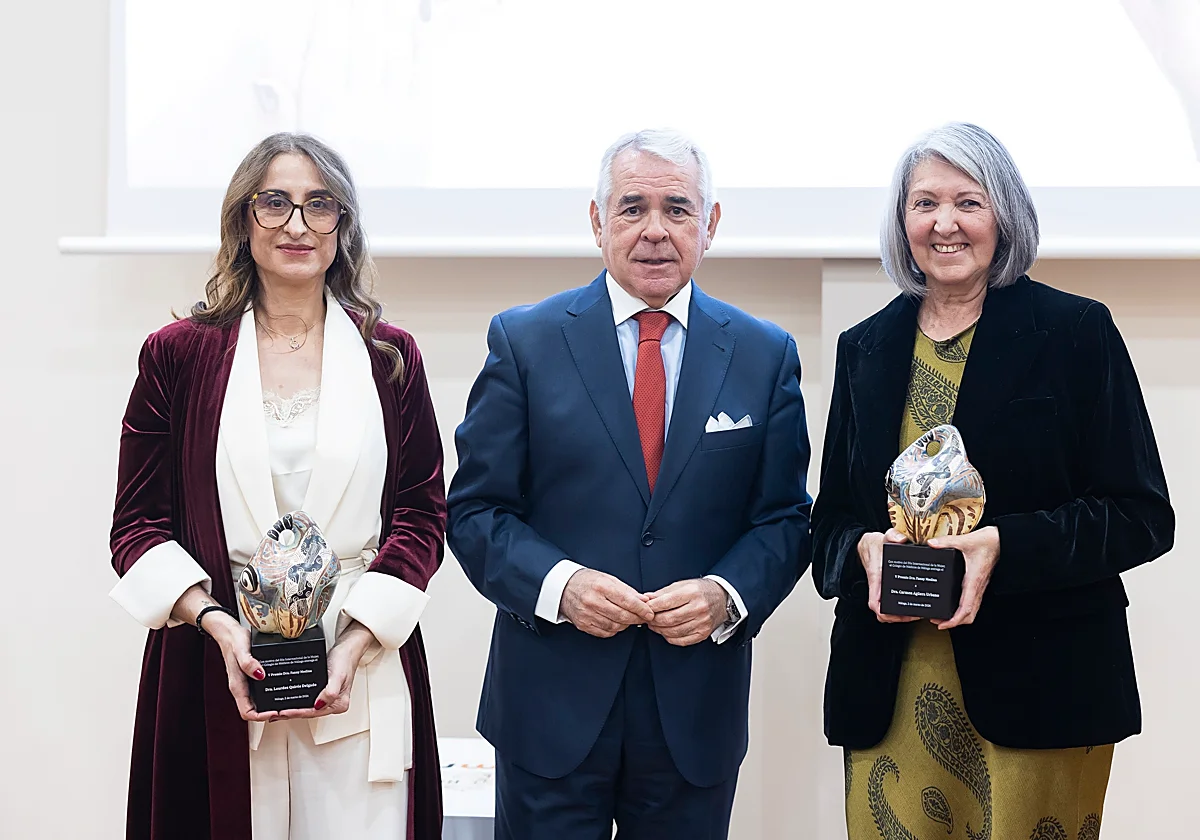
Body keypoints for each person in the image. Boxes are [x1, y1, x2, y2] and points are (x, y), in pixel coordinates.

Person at [810, 122, 1175, 839]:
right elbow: (828, 523)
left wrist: (1001, 545)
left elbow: (1140, 515)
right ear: (902, 220)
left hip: (1042, 687)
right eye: (924, 203)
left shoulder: (1075, 331)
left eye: (968, 201)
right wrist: (862, 551)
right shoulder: (865, 348)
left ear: (1004, 214)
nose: (944, 223)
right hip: (890, 687)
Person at [446, 128, 811, 839]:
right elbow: (476, 512)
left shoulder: (765, 354)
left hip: (692, 713)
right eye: (632, 207)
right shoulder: (523, 341)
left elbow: (785, 520)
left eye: (677, 209)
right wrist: (560, 586)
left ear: (710, 225)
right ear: (596, 221)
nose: (654, 230)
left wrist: (724, 596)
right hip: (549, 708)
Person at [108, 133, 446, 840]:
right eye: (275, 203)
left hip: (362, 665)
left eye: (319, 205)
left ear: (342, 226)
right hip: (219, 666)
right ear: (242, 219)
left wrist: (354, 642)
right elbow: (137, 525)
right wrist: (215, 622)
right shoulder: (177, 355)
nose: (297, 224)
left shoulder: (392, 357)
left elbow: (420, 514)